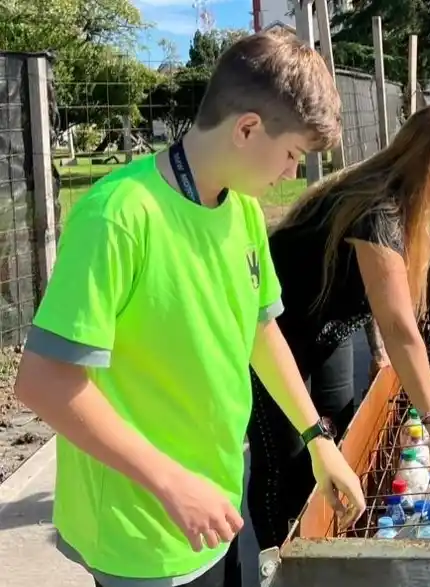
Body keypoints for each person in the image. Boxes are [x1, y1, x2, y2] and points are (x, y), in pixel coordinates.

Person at [13, 31, 365, 587]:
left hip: (213, 503)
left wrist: (317, 439)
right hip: (142, 529)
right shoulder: (119, 215)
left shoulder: (243, 211)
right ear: (247, 128)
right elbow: (42, 383)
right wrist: (172, 482)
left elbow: (260, 326)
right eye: (293, 154)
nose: (293, 173)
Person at [246, 103, 430, 550]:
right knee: (285, 460)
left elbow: (379, 293)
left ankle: (331, 540)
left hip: (330, 325)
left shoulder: (409, 202)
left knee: (341, 431)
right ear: (415, 157)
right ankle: (280, 560)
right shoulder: (378, 207)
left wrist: (379, 351)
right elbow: (399, 324)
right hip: (274, 333)